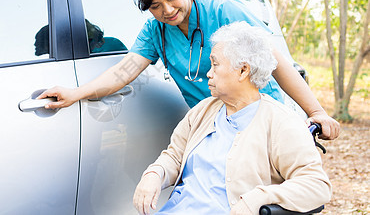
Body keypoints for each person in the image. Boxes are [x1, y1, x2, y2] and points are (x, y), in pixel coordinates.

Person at [38, 0, 339, 140]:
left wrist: (316, 112)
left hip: (263, 119)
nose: (167, 10)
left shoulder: (224, 11)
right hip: (217, 126)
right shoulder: (156, 31)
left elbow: (277, 62)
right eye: (155, 6)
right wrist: (75, 93)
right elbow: (124, 71)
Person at [133, 22, 332, 215]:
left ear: (243, 70)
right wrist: (155, 173)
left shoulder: (282, 123)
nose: (208, 73)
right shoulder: (203, 110)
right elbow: (175, 155)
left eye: (215, 64)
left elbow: (316, 185)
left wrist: (258, 198)